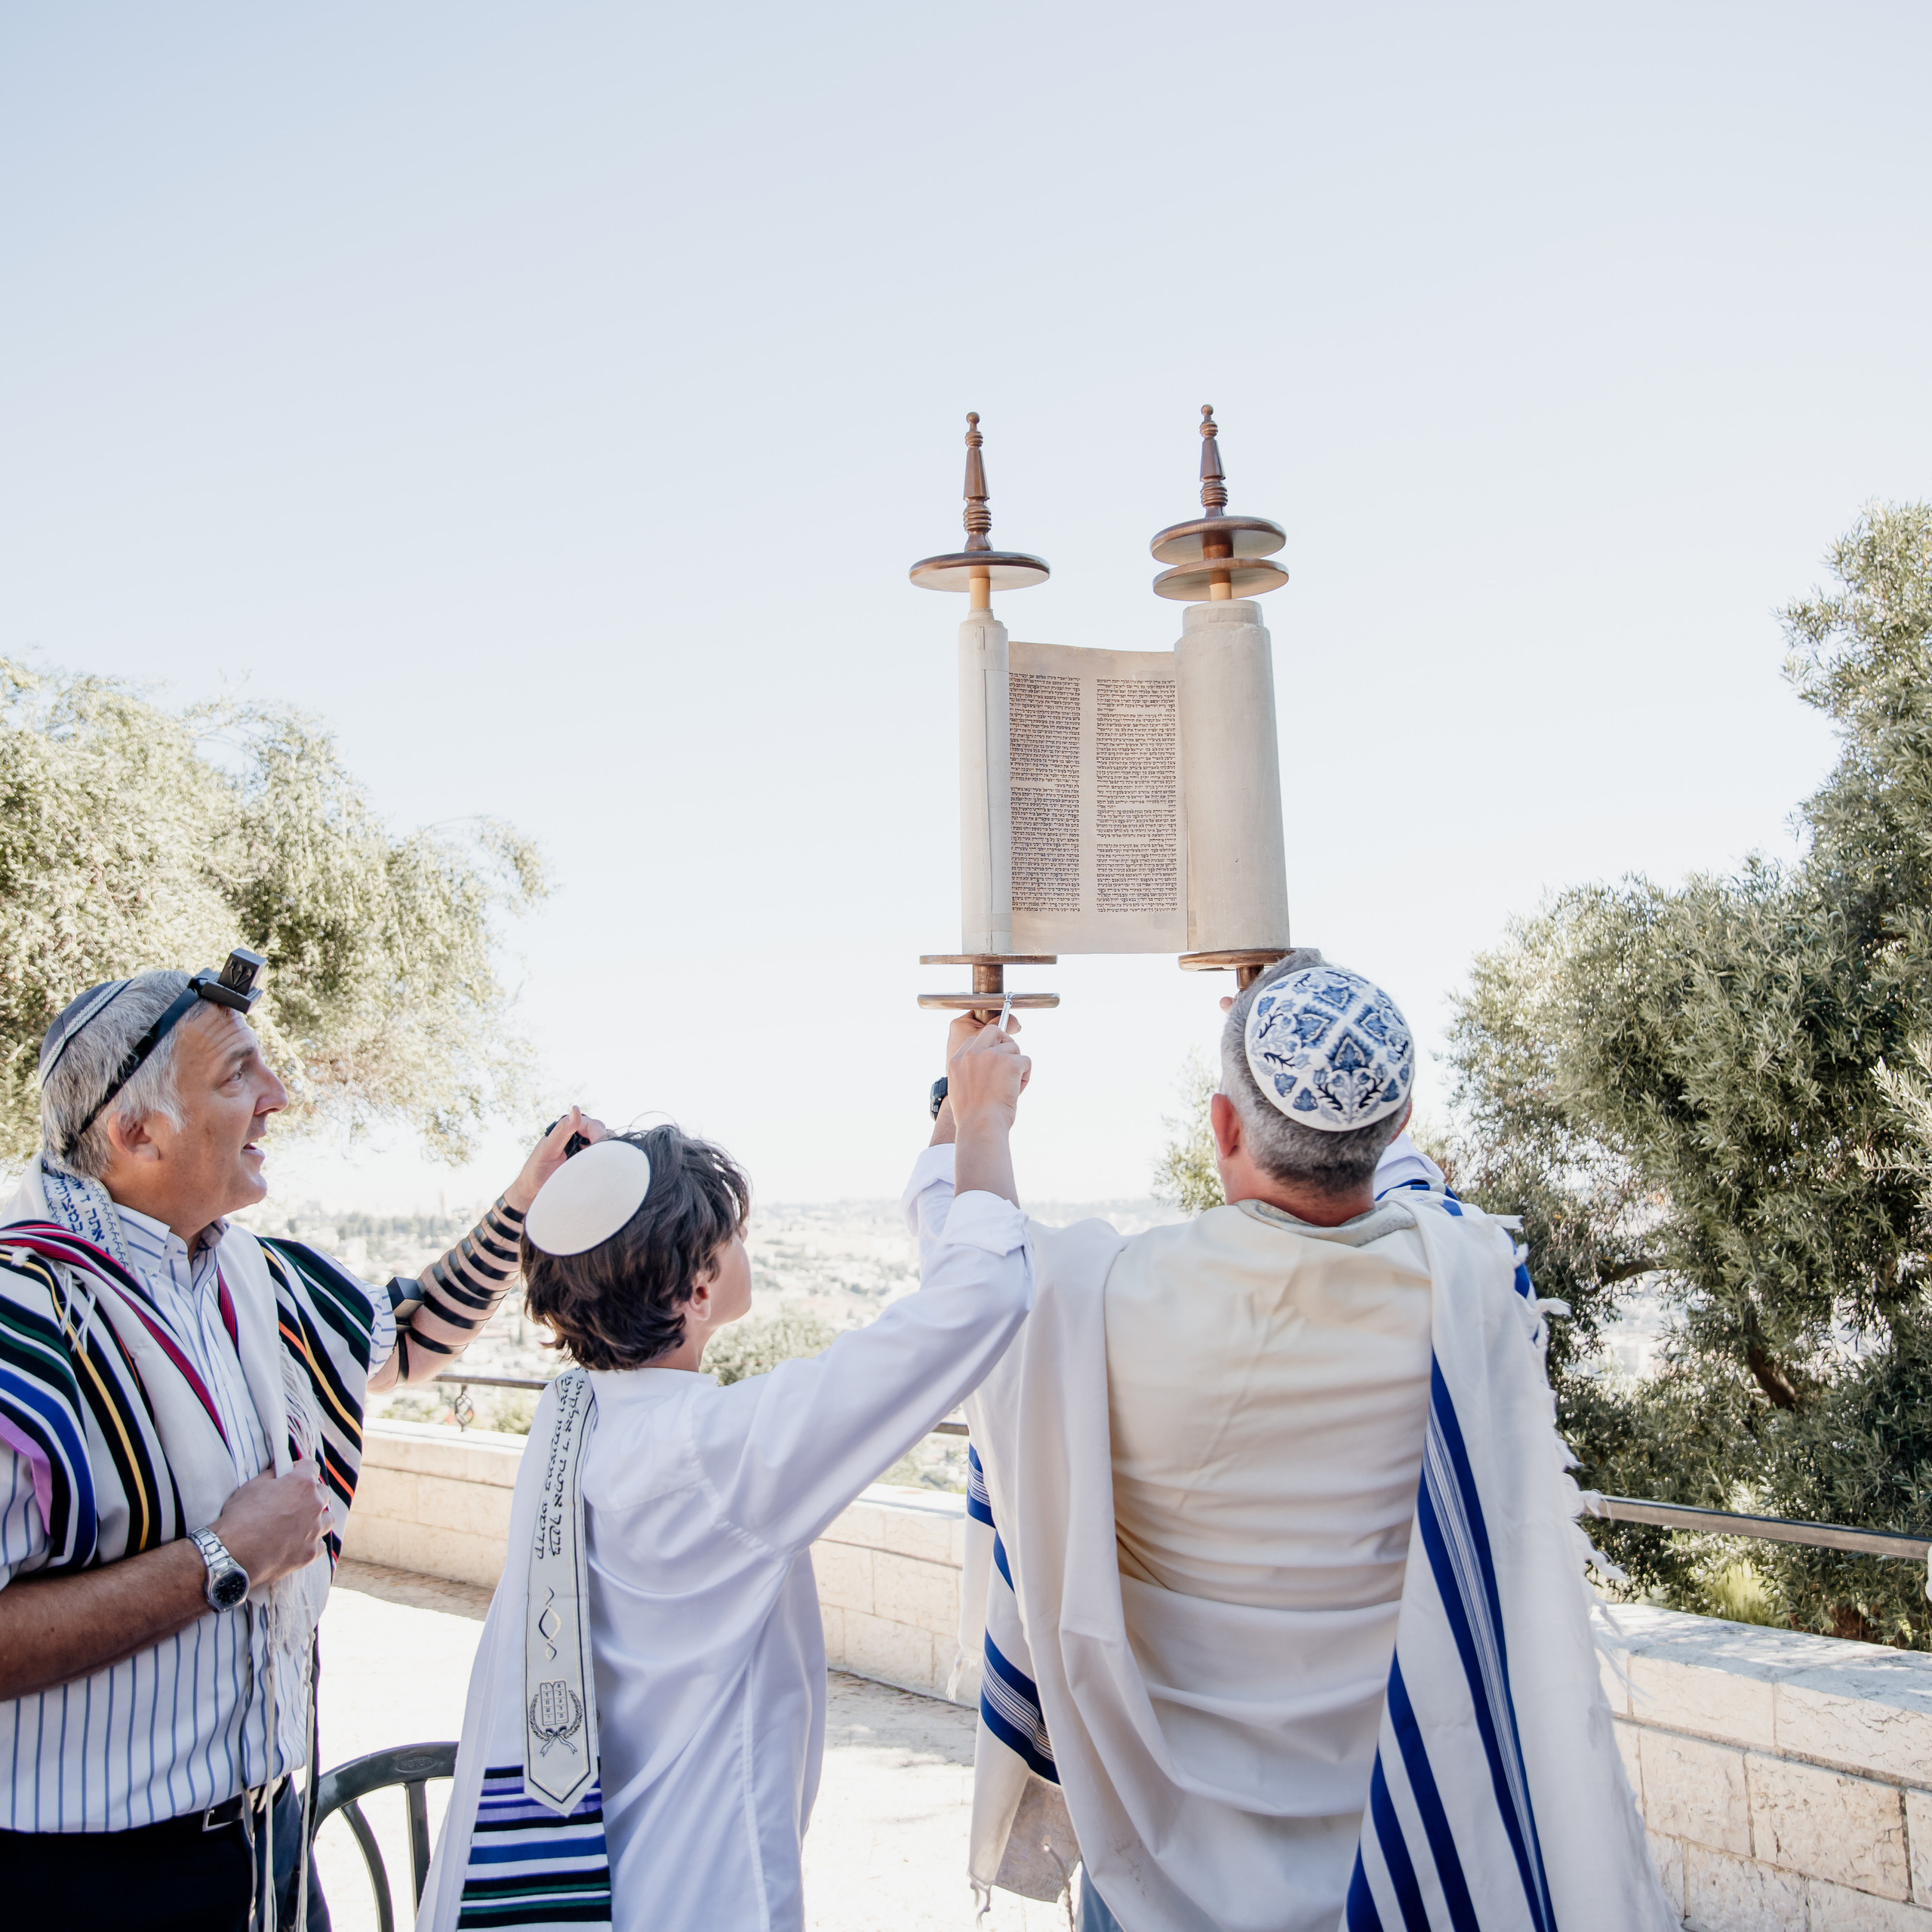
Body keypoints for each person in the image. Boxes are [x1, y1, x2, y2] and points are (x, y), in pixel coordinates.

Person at [946, 952, 1675, 1932]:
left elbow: (978, 1283)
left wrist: (975, 1114)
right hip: (1398, 1836)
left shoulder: (1106, 1298)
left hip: (1165, 1856)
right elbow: (1423, 1196)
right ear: (1401, 1120)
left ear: (1221, 1126)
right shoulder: (1461, 1286)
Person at [0, 952, 601, 1930]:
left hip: (268, 1843)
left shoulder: (258, 1279)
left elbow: (409, 1334)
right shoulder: (22, 1316)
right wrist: (223, 1559)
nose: (279, 1098)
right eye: (237, 1075)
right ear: (136, 1130)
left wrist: (527, 1194)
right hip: (85, 1884)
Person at [416, 1011, 1035, 1932]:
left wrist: (951, 1120)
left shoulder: (569, 1421)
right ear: (699, 1290)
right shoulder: (714, 1456)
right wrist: (987, 1122)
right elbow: (980, 1299)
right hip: (689, 1897)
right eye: (735, 1234)